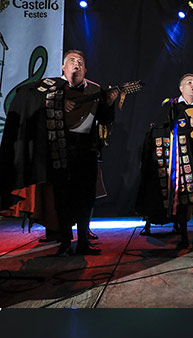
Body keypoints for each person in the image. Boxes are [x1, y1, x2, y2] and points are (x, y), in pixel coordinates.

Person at [0, 50, 117, 255]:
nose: (76, 64)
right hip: (58, 148)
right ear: (63, 67)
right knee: (62, 196)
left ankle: (82, 242)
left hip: (86, 149)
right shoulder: (49, 87)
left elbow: (105, 119)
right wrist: (57, 103)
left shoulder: (95, 89)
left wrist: (109, 103)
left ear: (85, 69)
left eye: (80, 61)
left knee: (86, 196)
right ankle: (64, 241)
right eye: (71, 61)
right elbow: (25, 97)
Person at [136, 72, 193, 249]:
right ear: (181, 88)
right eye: (189, 82)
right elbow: (161, 124)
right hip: (180, 157)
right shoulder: (171, 105)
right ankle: (183, 236)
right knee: (182, 196)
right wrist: (188, 121)